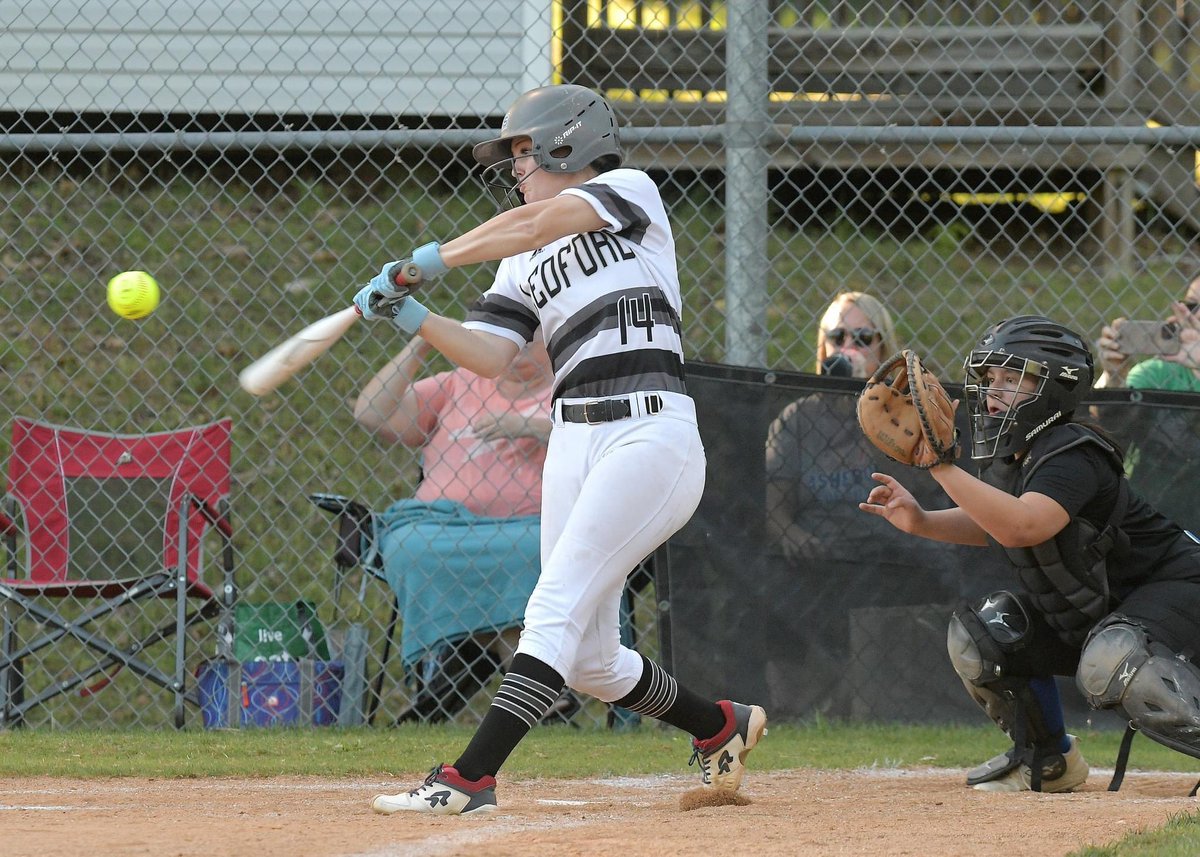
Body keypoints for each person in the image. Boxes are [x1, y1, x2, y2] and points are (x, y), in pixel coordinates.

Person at [351, 83, 766, 815]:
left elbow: (536, 221)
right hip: (575, 438)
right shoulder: (521, 257)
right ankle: (719, 726)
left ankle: (469, 778)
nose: (515, 166)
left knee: (550, 609)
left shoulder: (624, 192)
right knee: (591, 659)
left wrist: (427, 260)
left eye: (522, 149)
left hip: (648, 431)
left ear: (566, 140)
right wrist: (414, 313)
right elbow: (488, 353)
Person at [859, 314, 1200, 793]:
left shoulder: (1072, 450)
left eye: (1012, 378)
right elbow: (999, 522)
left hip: (1179, 590)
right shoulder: (1015, 455)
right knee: (986, 633)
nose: (994, 390)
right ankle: (1047, 759)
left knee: (1115, 655)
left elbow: (1024, 525)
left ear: (1053, 388)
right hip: (1111, 607)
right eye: (990, 378)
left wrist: (939, 467)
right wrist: (923, 520)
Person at [354, 336, 583, 725]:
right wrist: (423, 342)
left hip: (532, 527)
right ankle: (520, 661)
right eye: (508, 336)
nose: (518, 345)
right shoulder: (458, 383)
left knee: (538, 550)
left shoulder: (571, 388)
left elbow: (604, 438)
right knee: (408, 546)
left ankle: (460, 678)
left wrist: (528, 426)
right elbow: (371, 413)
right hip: (440, 526)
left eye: (530, 334)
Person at [764, 292, 969, 718]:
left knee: (930, 570)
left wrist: (873, 409)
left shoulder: (907, 413)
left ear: (883, 347)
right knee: (774, 579)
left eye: (862, 337)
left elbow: (917, 486)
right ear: (822, 347)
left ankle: (873, 701)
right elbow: (777, 512)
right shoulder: (798, 418)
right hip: (824, 552)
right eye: (836, 337)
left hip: (890, 548)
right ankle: (791, 710)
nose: (848, 348)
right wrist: (794, 536)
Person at [1095, 274, 1200, 390]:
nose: (1198, 315)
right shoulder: (1155, 373)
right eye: (1192, 305)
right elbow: (1098, 408)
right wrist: (1114, 376)